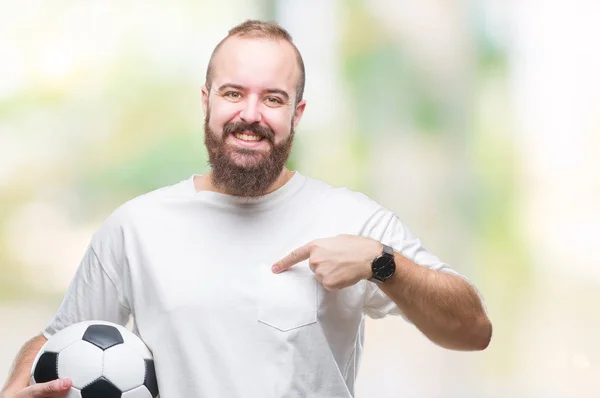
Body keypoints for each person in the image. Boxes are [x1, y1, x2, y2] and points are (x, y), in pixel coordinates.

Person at [1, 19, 491, 398]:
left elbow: (472, 331)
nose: (250, 115)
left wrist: (383, 263)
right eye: (233, 93)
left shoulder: (354, 220)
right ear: (207, 101)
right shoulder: (137, 227)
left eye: (273, 98)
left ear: (297, 113)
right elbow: (58, 340)